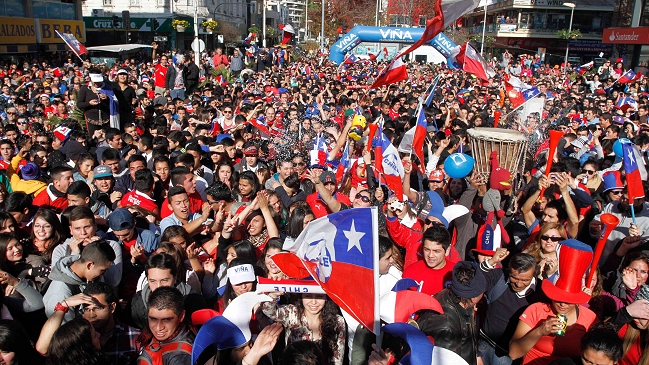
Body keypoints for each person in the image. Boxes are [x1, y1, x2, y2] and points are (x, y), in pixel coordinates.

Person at [509, 240, 598, 365]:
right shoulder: (536, 310)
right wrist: (540, 331)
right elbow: (513, 353)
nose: (563, 304)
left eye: (569, 301)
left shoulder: (590, 318)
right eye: (558, 298)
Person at [478, 252, 544, 365]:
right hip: (483, 345)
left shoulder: (541, 292)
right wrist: (491, 262)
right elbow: (474, 281)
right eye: (514, 278)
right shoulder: (498, 277)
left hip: (508, 356)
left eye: (525, 280)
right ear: (509, 270)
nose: (519, 284)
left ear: (534, 274)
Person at [264, 291, 347, 365]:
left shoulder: (338, 321)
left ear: (326, 297)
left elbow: (338, 358)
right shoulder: (292, 313)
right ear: (301, 296)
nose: (313, 302)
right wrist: (274, 294)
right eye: (308, 296)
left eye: (319, 296)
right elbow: (268, 310)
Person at [43, 240, 116, 322]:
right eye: (102, 270)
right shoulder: (60, 291)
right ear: (89, 265)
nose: (104, 274)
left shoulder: (92, 277)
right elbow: (65, 331)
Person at [128, 252, 205, 329]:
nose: (158, 286)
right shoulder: (137, 302)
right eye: (153, 281)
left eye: (164, 280)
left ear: (175, 278)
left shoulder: (193, 301)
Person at [434, 261, 486, 365]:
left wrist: (476, 355)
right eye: (483, 292)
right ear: (474, 298)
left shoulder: (464, 301)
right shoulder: (446, 327)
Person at [136, 286, 195, 365]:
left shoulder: (181, 356)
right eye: (153, 319)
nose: (158, 327)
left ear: (181, 316)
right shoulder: (147, 336)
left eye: (167, 320)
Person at [402, 223, 456, 296]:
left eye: (436, 251)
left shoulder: (455, 273)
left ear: (447, 251)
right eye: (427, 250)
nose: (430, 255)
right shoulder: (410, 272)